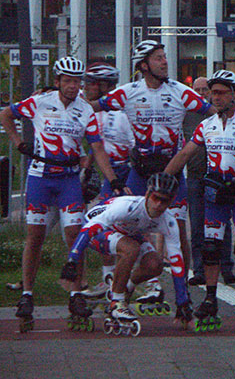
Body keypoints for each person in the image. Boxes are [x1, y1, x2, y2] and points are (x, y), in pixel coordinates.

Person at [0, 57, 120, 330]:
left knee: (75, 236)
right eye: (67, 80)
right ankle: (27, 295)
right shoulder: (41, 101)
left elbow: (98, 148)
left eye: (77, 81)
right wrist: (19, 142)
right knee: (35, 237)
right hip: (41, 177)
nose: (72, 86)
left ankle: (76, 294)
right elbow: (6, 114)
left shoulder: (86, 110)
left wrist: (111, 180)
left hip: (68, 180)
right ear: (57, 81)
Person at [91, 40, 213, 305]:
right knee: (128, 228)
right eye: (158, 58)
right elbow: (92, 107)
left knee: (178, 233)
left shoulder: (181, 91)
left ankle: (183, 295)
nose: (165, 62)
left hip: (171, 172)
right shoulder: (129, 92)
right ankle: (123, 288)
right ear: (144, 65)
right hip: (140, 172)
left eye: (164, 57)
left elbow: (212, 112)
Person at [164, 70, 235, 327]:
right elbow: (185, 154)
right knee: (211, 248)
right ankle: (211, 298)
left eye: (221, 92)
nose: (215, 97)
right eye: (213, 92)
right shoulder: (206, 125)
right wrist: (164, 177)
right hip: (215, 191)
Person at [60, 173, 194, 333]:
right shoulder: (127, 206)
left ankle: (125, 287)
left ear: (171, 201)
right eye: (155, 198)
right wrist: (72, 260)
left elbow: (176, 261)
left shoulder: (169, 221)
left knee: (155, 265)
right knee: (131, 249)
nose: (158, 205)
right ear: (147, 194)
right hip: (96, 230)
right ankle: (116, 303)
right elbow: (89, 229)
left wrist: (182, 301)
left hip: (127, 233)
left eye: (164, 201)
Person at [80, 63, 134, 299]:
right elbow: (97, 144)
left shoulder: (121, 112)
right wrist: (88, 166)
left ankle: (151, 282)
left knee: (132, 225)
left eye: (91, 83)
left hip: (125, 173)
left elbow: (134, 146)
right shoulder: (95, 111)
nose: (86, 87)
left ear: (104, 86)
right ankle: (108, 278)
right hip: (108, 174)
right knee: (104, 223)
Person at [184, 76, 235, 287]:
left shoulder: (220, 115)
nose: (203, 93)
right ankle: (199, 269)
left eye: (206, 89)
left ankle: (226, 267)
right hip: (195, 176)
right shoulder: (186, 115)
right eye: (199, 90)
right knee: (197, 226)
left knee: (223, 224)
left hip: (218, 176)